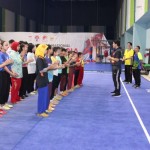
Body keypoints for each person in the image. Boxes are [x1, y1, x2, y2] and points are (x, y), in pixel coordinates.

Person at [36, 44, 56, 117]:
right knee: (41, 96)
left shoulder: (43, 58)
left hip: (45, 79)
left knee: (44, 95)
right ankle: (40, 112)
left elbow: (46, 69)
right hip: (41, 80)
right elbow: (41, 70)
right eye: (44, 49)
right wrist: (49, 67)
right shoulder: (39, 59)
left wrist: (51, 67)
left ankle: (43, 110)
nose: (46, 51)